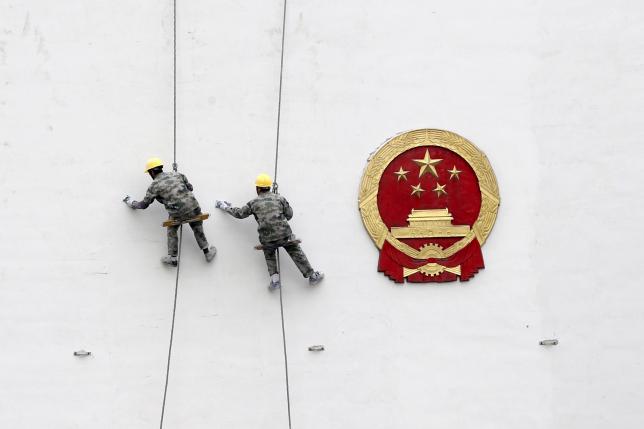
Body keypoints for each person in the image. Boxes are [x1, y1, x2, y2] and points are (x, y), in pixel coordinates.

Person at [215, 173, 323, 290]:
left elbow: (239, 214)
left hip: (267, 239)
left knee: (269, 254)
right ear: (269, 187)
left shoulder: (253, 203)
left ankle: (275, 281)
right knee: (295, 251)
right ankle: (312, 276)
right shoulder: (279, 198)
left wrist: (224, 206)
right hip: (284, 235)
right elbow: (289, 215)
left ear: (258, 188)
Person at [123, 157, 216, 266]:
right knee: (197, 226)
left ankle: (172, 258)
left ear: (152, 171)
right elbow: (190, 188)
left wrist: (131, 203)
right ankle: (207, 253)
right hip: (194, 208)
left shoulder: (154, 186)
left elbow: (143, 205)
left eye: (149, 173)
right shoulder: (177, 174)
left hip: (177, 214)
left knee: (171, 229)